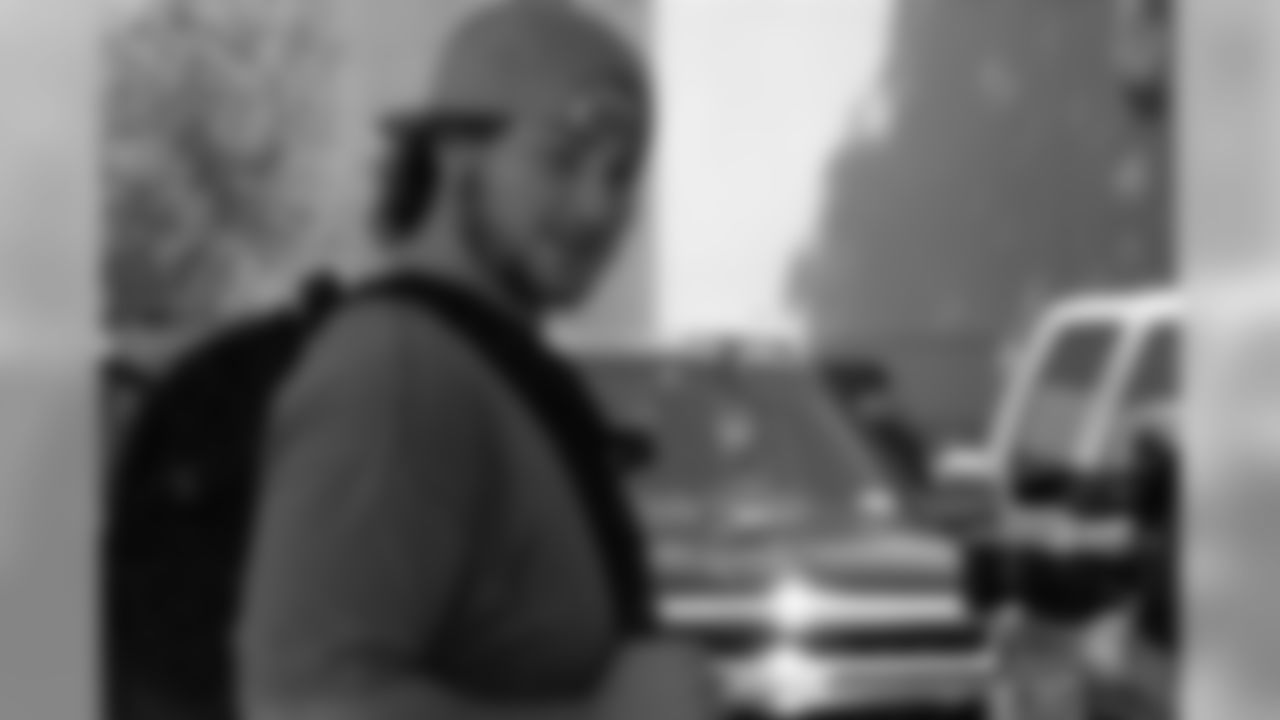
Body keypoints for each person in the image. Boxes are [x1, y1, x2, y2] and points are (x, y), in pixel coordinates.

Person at [234, 2, 719, 720]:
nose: (597, 208)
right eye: (561, 160)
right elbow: (305, 707)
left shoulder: (486, 366)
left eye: (621, 174)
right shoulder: (396, 378)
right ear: (456, 153)